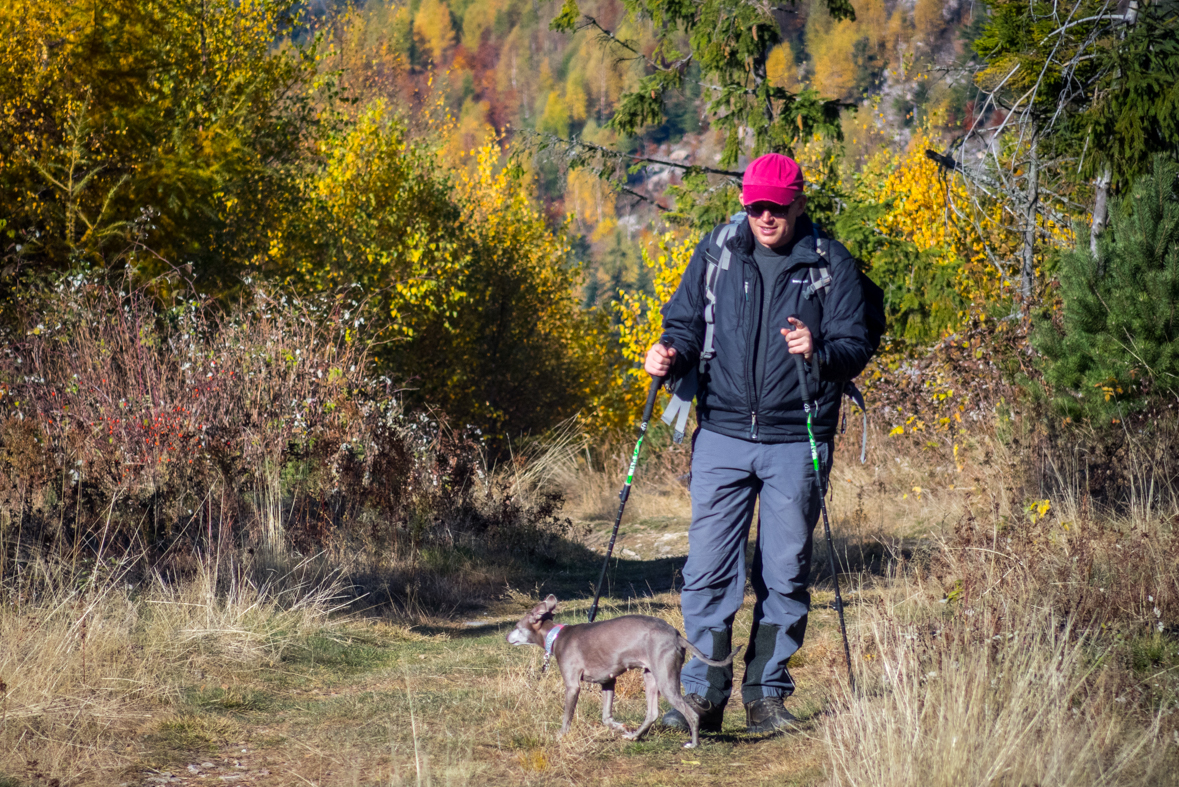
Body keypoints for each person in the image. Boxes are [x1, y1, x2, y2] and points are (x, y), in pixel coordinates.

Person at [646, 153, 873, 733]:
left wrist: (818, 352)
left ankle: (766, 696)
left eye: (775, 206)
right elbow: (685, 323)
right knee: (707, 572)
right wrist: (669, 352)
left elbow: (856, 346)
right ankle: (701, 693)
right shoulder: (720, 249)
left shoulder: (831, 264)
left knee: (785, 570)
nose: (765, 216)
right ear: (744, 204)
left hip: (798, 438)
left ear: (798, 202)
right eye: (755, 206)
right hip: (720, 432)